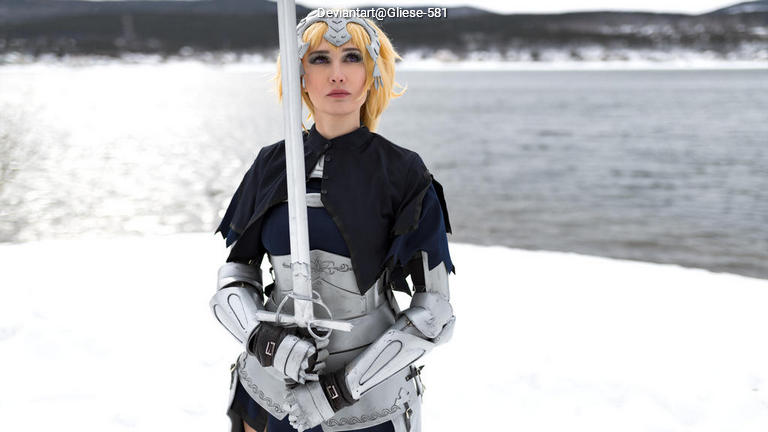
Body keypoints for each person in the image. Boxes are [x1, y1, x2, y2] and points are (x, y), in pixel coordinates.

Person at [210, 9, 455, 432]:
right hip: (267, 388)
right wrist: (262, 340)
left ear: (372, 74)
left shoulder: (403, 173)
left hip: (368, 401)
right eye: (320, 59)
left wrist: (340, 390)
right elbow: (236, 275)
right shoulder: (271, 164)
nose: (337, 74)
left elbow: (434, 311)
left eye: (352, 58)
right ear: (300, 76)